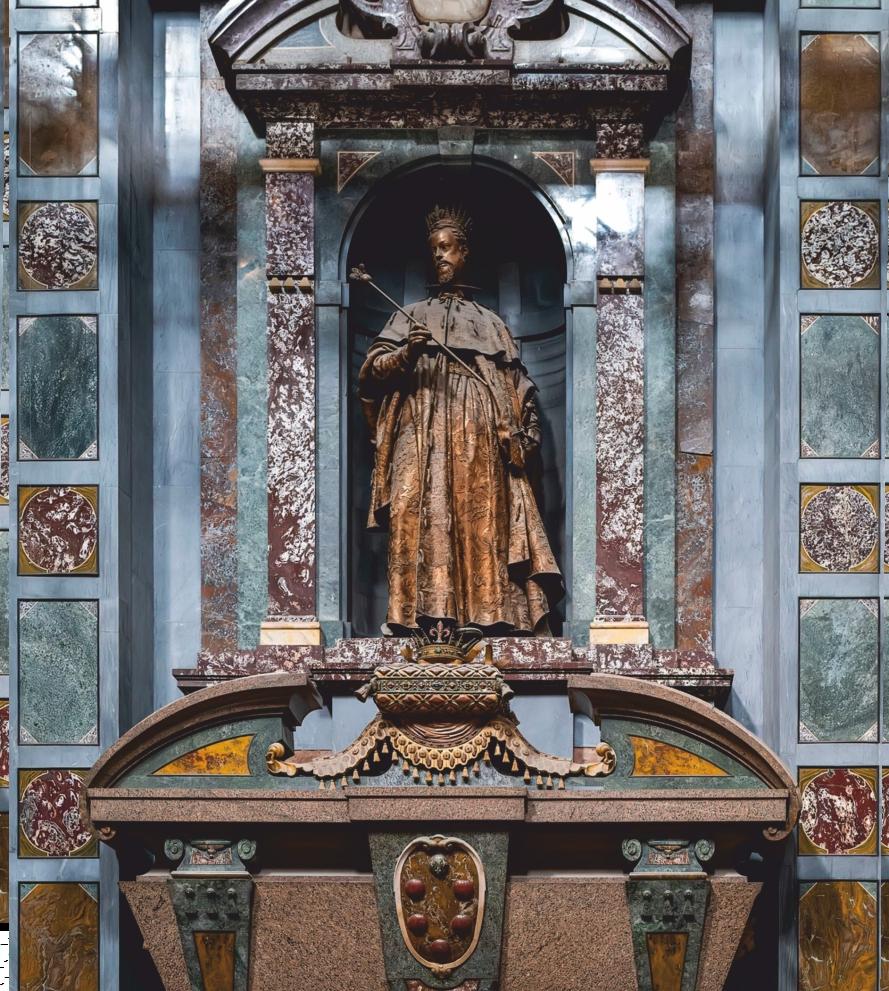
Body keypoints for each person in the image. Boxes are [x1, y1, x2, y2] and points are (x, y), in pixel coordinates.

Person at [358, 205, 562, 635]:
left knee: (479, 514)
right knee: (419, 510)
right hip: (420, 423)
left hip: (476, 429)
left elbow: (517, 385)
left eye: (447, 248)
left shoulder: (490, 323)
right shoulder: (409, 315)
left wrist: (524, 432)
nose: (440, 256)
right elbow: (372, 374)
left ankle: (484, 615)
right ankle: (418, 616)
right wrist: (408, 353)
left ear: (465, 252)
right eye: (434, 249)